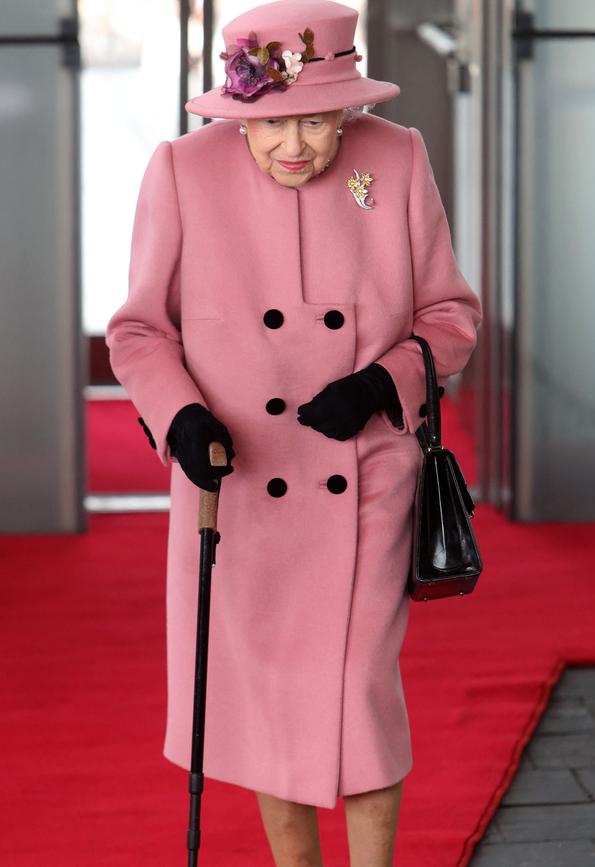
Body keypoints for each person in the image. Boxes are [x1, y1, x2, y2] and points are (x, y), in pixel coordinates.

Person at [106, 1, 483, 864]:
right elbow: (138, 332)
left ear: (348, 106)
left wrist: (384, 382)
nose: (295, 147)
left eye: (317, 122)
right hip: (239, 487)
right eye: (273, 126)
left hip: (367, 477)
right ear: (239, 114)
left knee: (357, 691)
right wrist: (181, 413)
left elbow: (450, 314)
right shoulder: (181, 171)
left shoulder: (393, 158)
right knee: (274, 701)